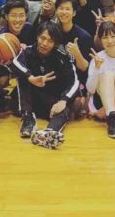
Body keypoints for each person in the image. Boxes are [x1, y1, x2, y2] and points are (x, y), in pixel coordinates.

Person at [7, 21, 79, 149]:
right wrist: (30, 77)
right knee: (23, 78)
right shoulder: (28, 51)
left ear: (55, 43)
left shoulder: (62, 57)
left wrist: (63, 100)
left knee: (64, 108)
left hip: (50, 101)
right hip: (29, 100)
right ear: (37, 36)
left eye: (50, 41)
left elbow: (74, 82)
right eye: (42, 38)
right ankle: (28, 119)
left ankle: (48, 133)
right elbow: (15, 63)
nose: (44, 43)